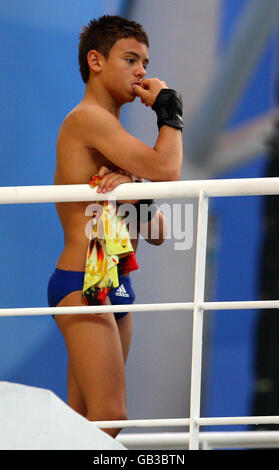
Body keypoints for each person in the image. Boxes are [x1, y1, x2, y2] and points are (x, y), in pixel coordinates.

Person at [47, 14, 183, 438]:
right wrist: (168, 106)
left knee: (82, 422)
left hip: (115, 282)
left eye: (145, 61)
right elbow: (168, 167)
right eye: (130, 59)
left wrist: (134, 187)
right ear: (96, 61)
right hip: (83, 283)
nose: (143, 71)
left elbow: (158, 231)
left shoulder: (115, 138)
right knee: (110, 418)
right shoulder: (88, 120)